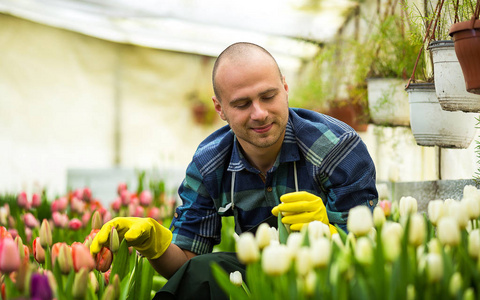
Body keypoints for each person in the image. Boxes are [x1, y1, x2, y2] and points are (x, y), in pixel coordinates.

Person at [90, 42, 378, 299]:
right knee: (204, 269)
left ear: (285, 88)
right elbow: (187, 265)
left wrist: (327, 231)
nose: (259, 113)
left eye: (268, 96)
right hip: (258, 279)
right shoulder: (209, 163)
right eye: (242, 104)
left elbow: (366, 253)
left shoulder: (336, 147)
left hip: (332, 279)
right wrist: (155, 243)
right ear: (220, 109)